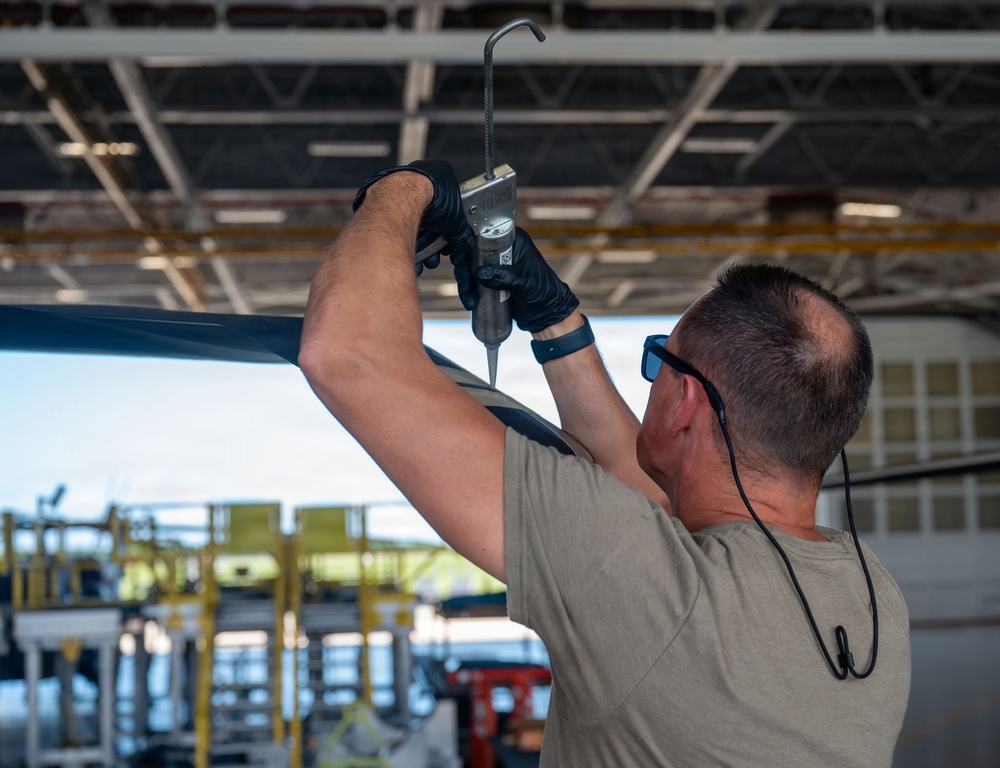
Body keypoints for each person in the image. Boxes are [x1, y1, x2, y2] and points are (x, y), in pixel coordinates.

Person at [300, 161, 911, 767]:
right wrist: (556, 322)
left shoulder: (653, 589)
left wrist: (406, 189)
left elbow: (346, 352)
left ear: (687, 404)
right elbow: (651, 515)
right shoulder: (868, 595)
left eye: (659, 364)